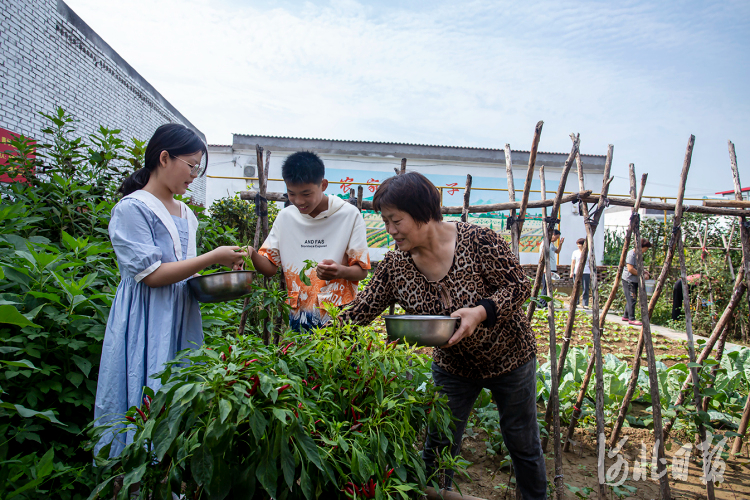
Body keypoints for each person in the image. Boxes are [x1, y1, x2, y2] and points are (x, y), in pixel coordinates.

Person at [340, 172, 547, 499]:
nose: (390, 231)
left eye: (396, 221)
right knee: (438, 444)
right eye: (385, 221)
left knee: (522, 442)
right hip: (453, 366)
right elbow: (359, 311)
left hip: (509, 358)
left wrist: (479, 312)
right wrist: (319, 335)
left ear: (423, 213)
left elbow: (519, 286)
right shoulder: (396, 265)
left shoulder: (477, 240)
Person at [94, 124, 247, 457]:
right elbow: (152, 275)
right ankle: (131, 477)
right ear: (164, 158)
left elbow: (182, 268)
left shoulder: (186, 213)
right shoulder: (132, 209)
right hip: (144, 315)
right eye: (191, 166)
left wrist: (218, 268)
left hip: (179, 314)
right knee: (141, 384)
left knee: (176, 392)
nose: (194, 175)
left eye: (198, 168)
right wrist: (211, 257)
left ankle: (166, 475)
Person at [247, 151, 370, 331]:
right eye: (292, 193)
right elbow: (270, 267)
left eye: (306, 193)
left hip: (340, 317)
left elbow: (362, 272)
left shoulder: (348, 215)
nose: (299, 201)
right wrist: (250, 253)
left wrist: (339, 271)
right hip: (299, 315)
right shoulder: (285, 218)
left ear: (323, 185)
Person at [621, 238, 652, 326]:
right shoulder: (632, 254)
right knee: (632, 298)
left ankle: (626, 316)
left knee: (631, 298)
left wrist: (644, 271)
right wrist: (641, 275)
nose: (645, 251)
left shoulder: (638, 255)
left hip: (634, 280)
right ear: (641, 247)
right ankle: (631, 318)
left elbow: (637, 267)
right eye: (645, 249)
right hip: (628, 279)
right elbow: (630, 269)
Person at [539, 229, 564, 300]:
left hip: (552, 268)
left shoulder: (551, 244)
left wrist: (561, 244)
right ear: (552, 234)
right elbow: (542, 256)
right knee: (546, 286)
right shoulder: (545, 244)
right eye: (556, 237)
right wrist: (544, 268)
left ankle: (544, 302)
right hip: (547, 268)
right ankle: (543, 303)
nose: (556, 239)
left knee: (549, 286)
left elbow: (557, 251)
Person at [570, 238, 591, 308]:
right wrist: (571, 271)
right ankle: (576, 302)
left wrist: (591, 272)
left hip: (586, 272)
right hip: (577, 272)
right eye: (578, 245)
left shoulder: (588, 252)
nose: (578, 246)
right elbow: (573, 262)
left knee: (585, 288)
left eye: (580, 245)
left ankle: (585, 303)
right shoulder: (575, 252)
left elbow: (591, 263)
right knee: (576, 287)